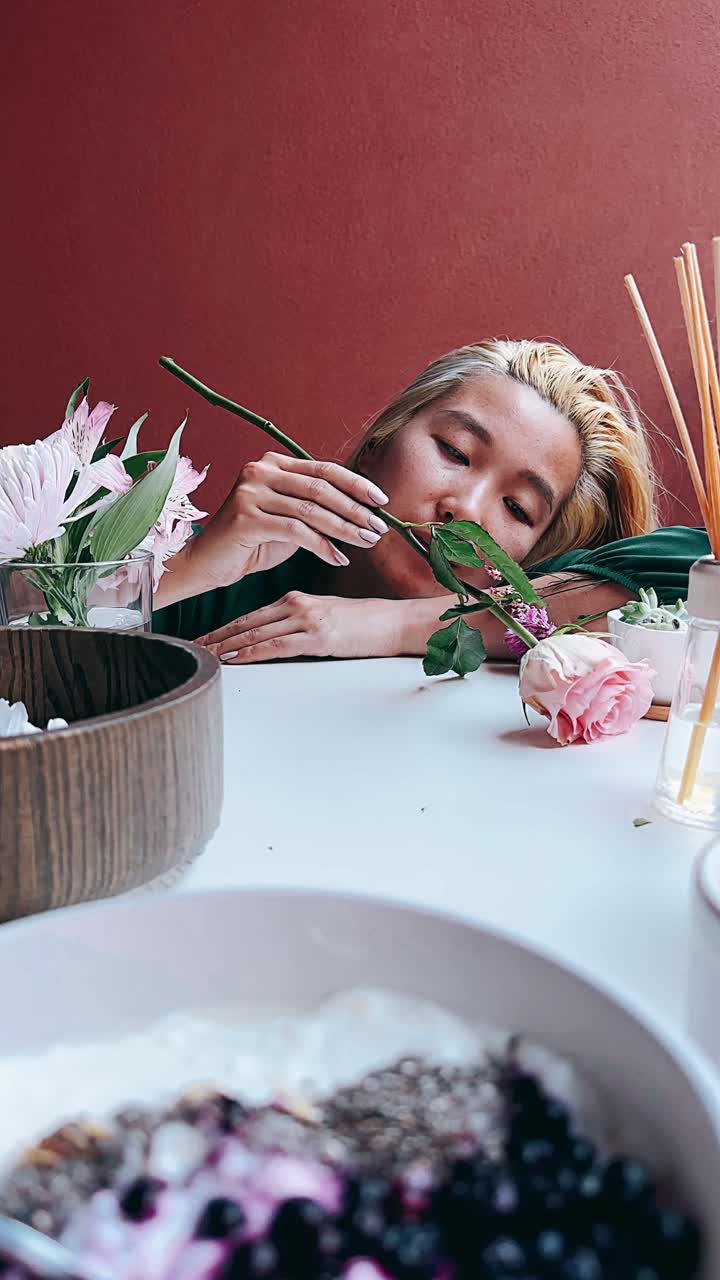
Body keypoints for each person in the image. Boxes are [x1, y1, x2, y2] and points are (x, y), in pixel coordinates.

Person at [152, 340, 709, 663]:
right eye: (454, 450)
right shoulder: (227, 578)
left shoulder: (517, 608)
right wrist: (183, 570)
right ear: (376, 444)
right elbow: (65, 659)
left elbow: (700, 568)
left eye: (517, 509)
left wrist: (393, 626)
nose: (464, 508)